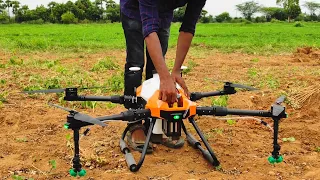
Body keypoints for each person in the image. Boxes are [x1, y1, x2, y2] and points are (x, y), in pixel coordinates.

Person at [120, 0, 207, 153]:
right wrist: (165, 78)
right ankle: (135, 122)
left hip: (163, 13)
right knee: (136, 63)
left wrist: (175, 71)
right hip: (133, 9)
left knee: (157, 69)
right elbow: (149, 28)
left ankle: (156, 122)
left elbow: (188, 27)